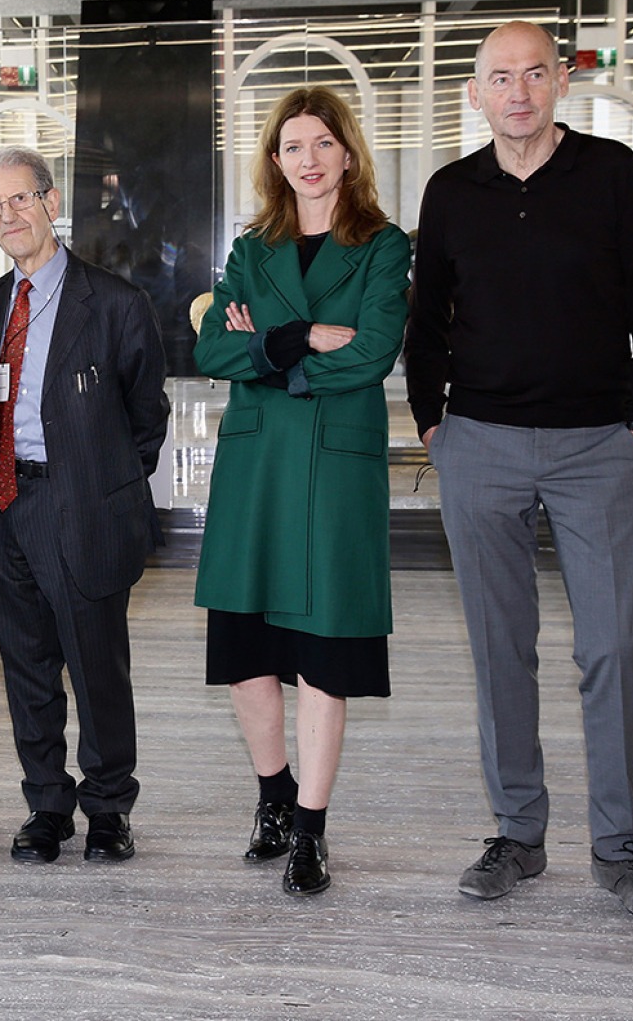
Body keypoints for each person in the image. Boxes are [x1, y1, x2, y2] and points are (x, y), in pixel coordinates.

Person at [404, 21, 633, 926]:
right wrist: (432, 419)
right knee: (497, 649)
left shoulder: (609, 175)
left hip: (595, 445)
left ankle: (619, 850)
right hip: (478, 441)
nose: (516, 91)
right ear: (476, 94)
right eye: (498, 77)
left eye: (533, 74)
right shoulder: (451, 190)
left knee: (610, 648)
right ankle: (518, 834)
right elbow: (425, 318)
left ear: (560, 82)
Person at [192, 88, 410, 895]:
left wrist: (268, 352)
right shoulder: (253, 248)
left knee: (324, 653)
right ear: (275, 161)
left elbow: (374, 353)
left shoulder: (384, 247)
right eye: (292, 146)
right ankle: (272, 798)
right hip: (255, 469)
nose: (308, 159)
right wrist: (304, 338)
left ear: (346, 154)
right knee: (247, 652)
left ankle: (311, 830)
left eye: (321, 143)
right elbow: (213, 349)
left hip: (334, 469)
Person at [0, 147, 169, 864]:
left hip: (79, 504)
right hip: (3, 504)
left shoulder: (113, 303)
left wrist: (100, 483)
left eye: (19, 199)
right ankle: (46, 805)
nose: (7, 216)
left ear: (50, 203)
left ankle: (108, 808)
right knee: (24, 666)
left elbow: (147, 416)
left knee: (95, 666)